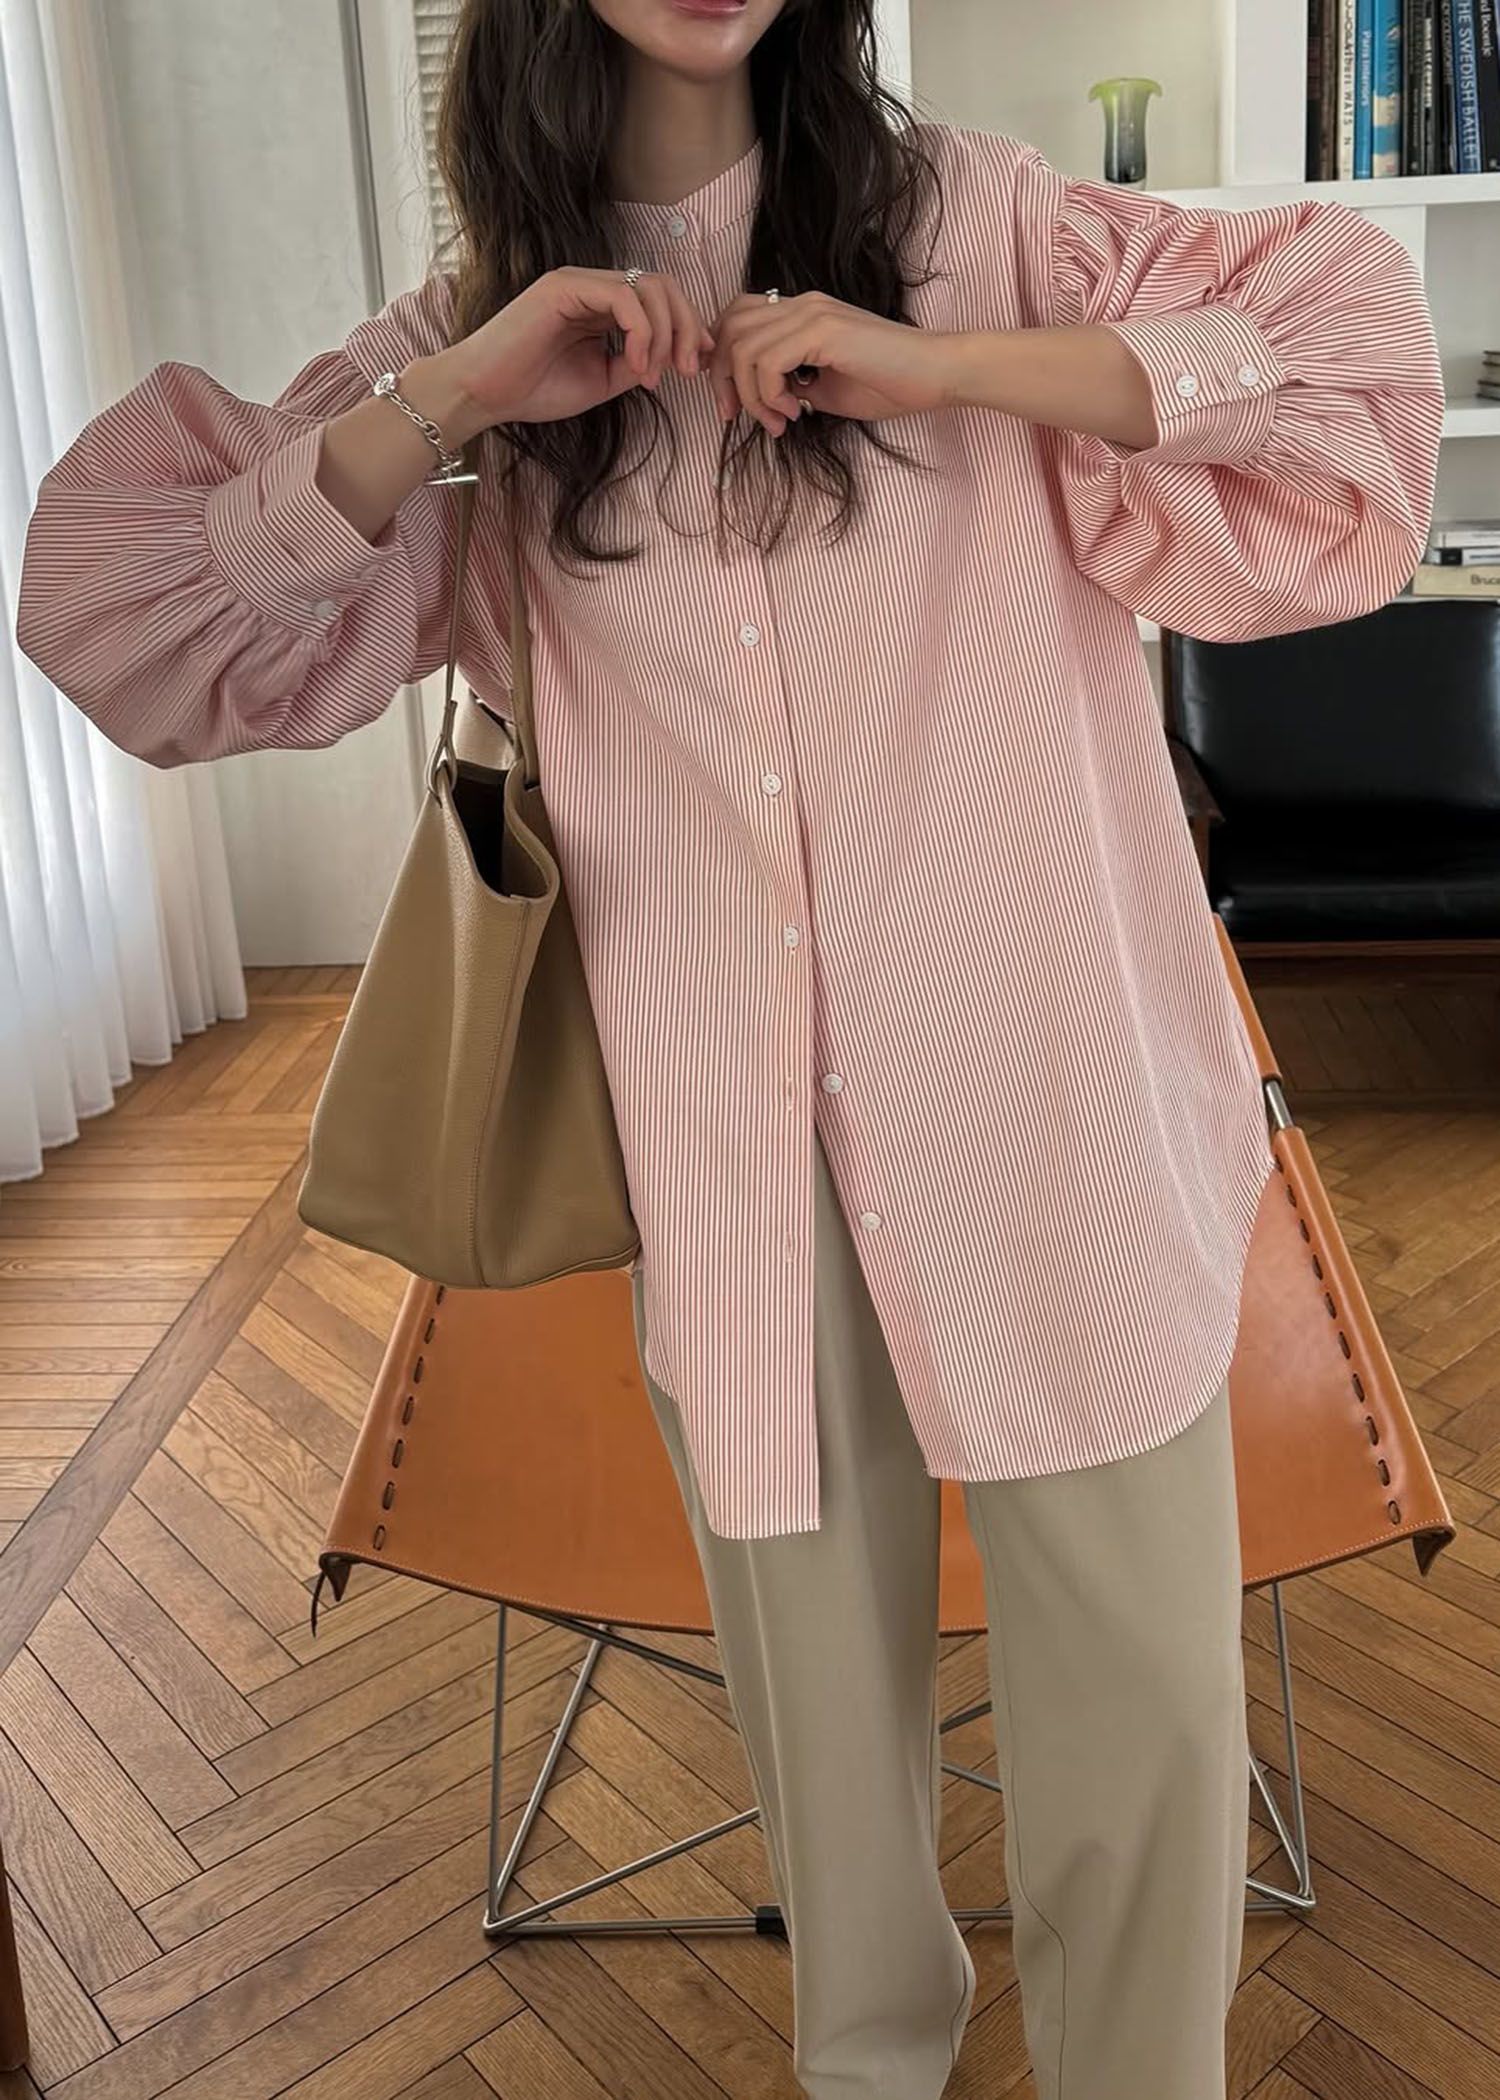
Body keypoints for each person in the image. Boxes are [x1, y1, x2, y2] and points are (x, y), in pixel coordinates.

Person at [15, 2, 1444, 2094]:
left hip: (1049, 1106)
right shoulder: (473, 344)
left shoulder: (986, 229)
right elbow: (120, 625)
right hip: (728, 1149)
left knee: (1143, 1703)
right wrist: (458, 395)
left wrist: (950, 367)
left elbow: (1354, 368)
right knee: (822, 1762)